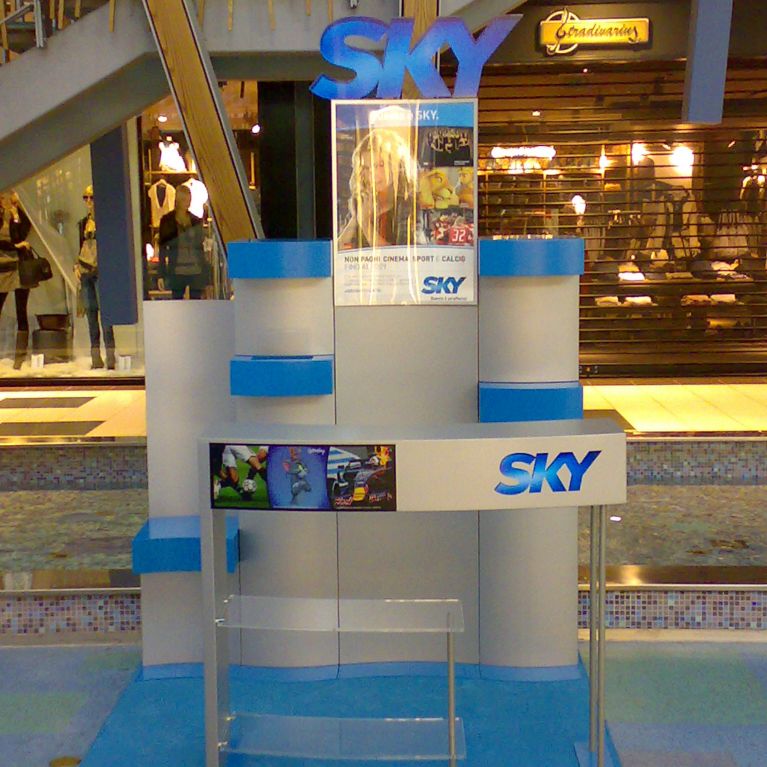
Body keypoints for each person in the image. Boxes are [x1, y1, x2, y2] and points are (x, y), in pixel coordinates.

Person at [337, 128, 420, 250]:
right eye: (366, 168)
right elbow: (338, 251)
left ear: (398, 166)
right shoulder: (361, 201)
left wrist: (366, 224)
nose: (373, 174)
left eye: (381, 165)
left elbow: (400, 256)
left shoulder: (410, 204)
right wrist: (356, 218)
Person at [76, 185, 116, 370]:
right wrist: (76, 266)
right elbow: (80, 246)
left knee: (106, 315)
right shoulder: (83, 223)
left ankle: (110, 357)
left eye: (91, 197)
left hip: (101, 271)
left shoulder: (106, 222)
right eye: (86, 198)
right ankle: (95, 358)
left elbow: (111, 246)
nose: (89, 201)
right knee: (91, 315)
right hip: (85, 271)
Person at [0, 191, 35, 370]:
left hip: (19, 267)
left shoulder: (19, 216)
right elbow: (10, 243)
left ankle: (19, 358)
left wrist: (15, 216)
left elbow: (20, 235)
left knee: (21, 310)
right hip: (2, 267)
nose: (6, 199)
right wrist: (15, 246)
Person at [157, 185, 207, 299]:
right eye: (184, 200)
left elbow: (200, 248)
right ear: (178, 200)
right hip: (177, 271)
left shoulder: (195, 220)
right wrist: (161, 274)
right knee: (177, 303)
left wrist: (205, 274)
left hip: (196, 270)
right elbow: (163, 249)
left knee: (196, 304)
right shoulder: (167, 221)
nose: (187, 203)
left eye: (189, 200)